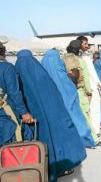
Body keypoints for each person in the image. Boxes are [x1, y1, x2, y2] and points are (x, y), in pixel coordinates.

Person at [16, 49, 86, 181]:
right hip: (51, 112)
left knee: (40, 140)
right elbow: (54, 94)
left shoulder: (18, 72)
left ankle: (42, 169)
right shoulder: (41, 73)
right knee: (56, 139)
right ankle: (61, 166)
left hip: (32, 115)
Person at [41, 49, 96, 148]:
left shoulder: (42, 68)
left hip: (52, 98)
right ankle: (85, 140)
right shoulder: (60, 64)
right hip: (68, 95)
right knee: (75, 117)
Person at [0, 43, 34, 146]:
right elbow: (14, 92)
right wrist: (23, 112)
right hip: (6, 111)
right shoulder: (7, 68)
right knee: (13, 138)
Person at [77, 36, 101, 136]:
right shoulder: (86, 58)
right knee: (95, 109)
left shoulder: (76, 57)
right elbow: (93, 74)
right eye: (85, 44)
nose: (87, 46)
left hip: (81, 87)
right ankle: (96, 131)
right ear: (79, 44)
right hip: (91, 86)